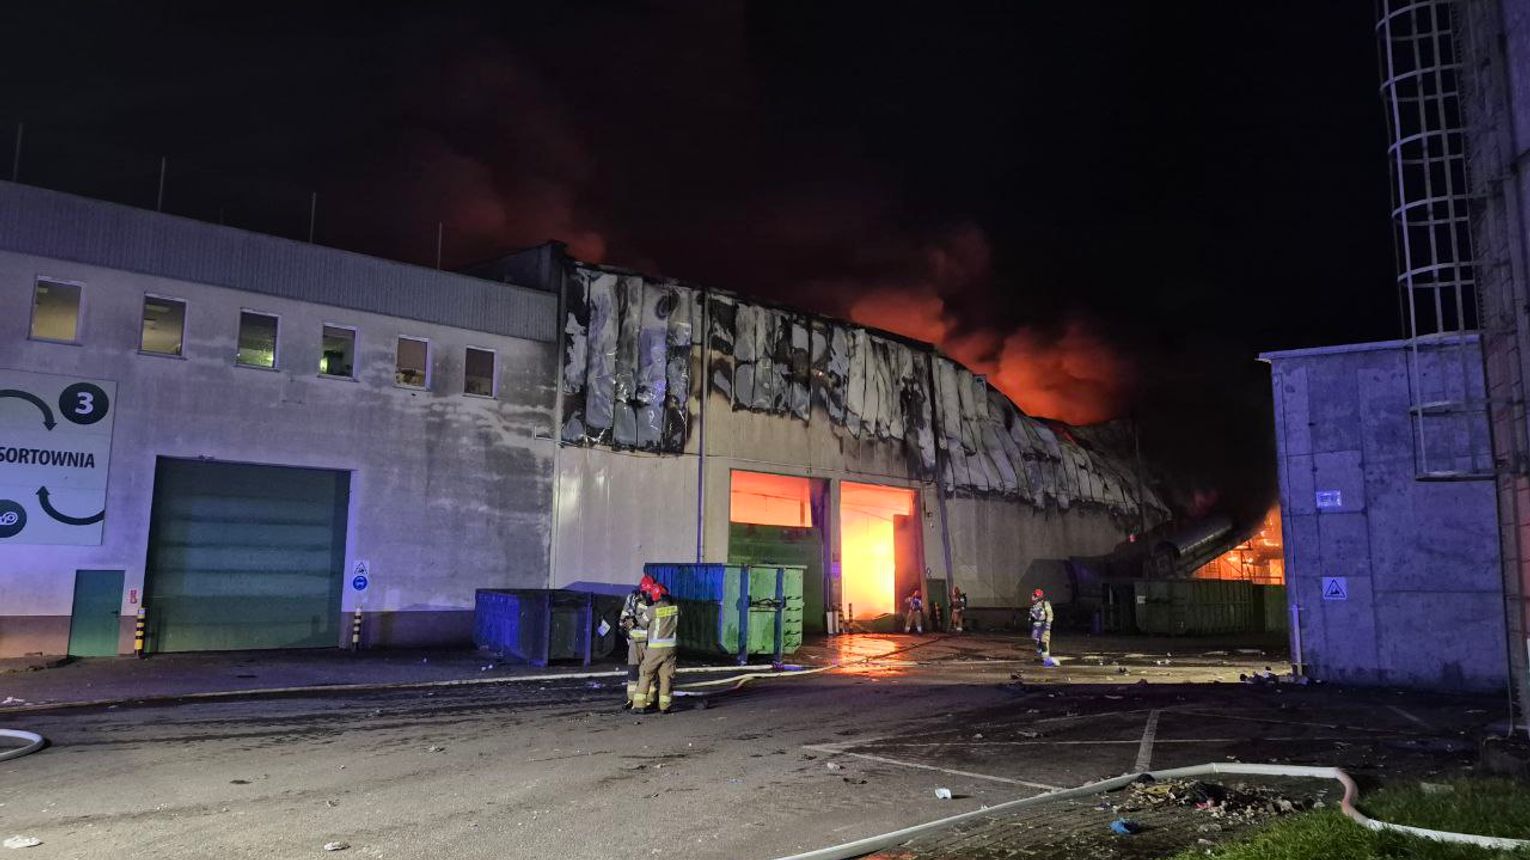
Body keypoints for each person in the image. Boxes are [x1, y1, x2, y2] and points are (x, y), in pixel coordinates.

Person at [633, 578, 680, 714]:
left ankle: (639, 705)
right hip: (671, 649)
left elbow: (642, 623)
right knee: (666, 677)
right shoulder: (675, 609)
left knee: (645, 673)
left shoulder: (653, 610)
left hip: (655, 649)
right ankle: (665, 706)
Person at [618, 575, 655, 709]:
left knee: (648, 671)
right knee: (634, 671)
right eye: (646, 591)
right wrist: (625, 625)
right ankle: (632, 699)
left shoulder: (654, 600)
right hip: (636, 641)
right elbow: (623, 619)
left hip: (648, 642)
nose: (648, 593)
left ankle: (650, 699)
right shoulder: (632, 598)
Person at [1029, 588, 1057, 667]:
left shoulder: (1045, 604)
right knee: (1038, 642)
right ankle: (1042, 657)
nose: (1032, 597)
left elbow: (1050, 614)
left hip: (1043, 626)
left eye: (1034, 595)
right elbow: (1032, 616)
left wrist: (1047, 625)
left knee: (1044, 642)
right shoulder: (1034, 606)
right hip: (1036, 627)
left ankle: (1046, 659)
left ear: (1039, 597)